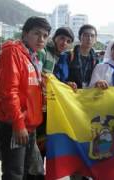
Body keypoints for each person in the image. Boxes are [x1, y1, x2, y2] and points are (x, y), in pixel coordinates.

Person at [0, 16, 51, 180]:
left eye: (45, 36)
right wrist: (18, 124)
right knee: (14, 175)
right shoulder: (12, 51)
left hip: (29, 126)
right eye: (36, 33)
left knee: (26, 173)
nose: (41, 39)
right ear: (25, 34)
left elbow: (29, 88)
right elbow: (8, 92)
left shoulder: (32, 56)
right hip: (15, 125)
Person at [33, 26, 75, 180]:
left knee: (45, 146)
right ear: (55, 37)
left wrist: (66, 84)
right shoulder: (44, 52)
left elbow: (54, 80)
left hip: (49, 107)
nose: (64, 43)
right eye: (62, 38)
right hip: (39, 107)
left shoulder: (59, 56)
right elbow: (40, 77)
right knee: (38, 148)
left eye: (68, 41)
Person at [54, 24, 99, 90]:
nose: (89, 38)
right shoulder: (68, 56)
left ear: (95, 39)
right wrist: (67, 83)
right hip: (70, 94)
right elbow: (58, 77)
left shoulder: (96, 59)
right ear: (79, 37)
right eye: (86, 35)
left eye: (92, 36)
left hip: (87, 96)